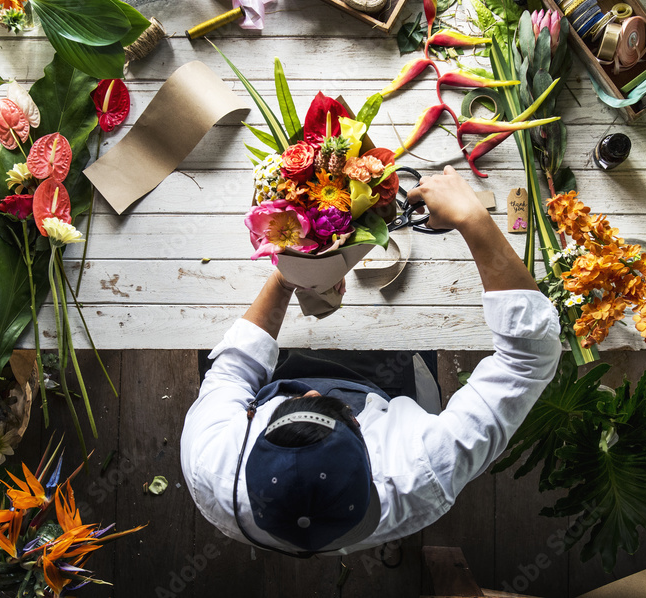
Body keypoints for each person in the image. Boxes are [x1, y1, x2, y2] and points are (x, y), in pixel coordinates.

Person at [180, 166, 562, 556]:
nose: (315, 392)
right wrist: (473, 218)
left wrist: (286, 280)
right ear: (368, 459)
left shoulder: (209, 462)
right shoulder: (422, 468)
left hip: (276, 380)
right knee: (414, 364)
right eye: (344, 418)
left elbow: (235, 365)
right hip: (383, 393)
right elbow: (528, 358)